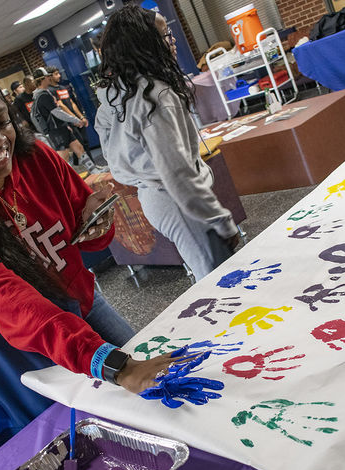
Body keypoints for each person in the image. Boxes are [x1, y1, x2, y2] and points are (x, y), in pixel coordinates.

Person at [0, 62, 181, 398]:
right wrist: (117, 367)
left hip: (85, 300)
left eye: (2, 122)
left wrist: (97, 224)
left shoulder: (35, 157)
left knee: (159, 384)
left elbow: (89, 236)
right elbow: (19, 307)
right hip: (34, 345)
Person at [95, 5, 240, 282]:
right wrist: (221, 220)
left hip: (153, 198)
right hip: (179, 201)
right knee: (220, 279)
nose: (171, 40)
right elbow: (178, 174)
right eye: (164, 35)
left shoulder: (114, 96)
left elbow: (111, 156)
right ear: (145, 44)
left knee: (208, 273)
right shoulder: (155, 96)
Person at [31, 67, 99, 173]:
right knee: (63, 158)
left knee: (79, 148)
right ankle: (68, 181)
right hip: (56, 131)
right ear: (42, 79)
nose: (49, 79)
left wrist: (67, 125)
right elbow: (58, 113)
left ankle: (94, 171)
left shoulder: (45, 93)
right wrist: (75, 120)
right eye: (47, 77)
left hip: (61, 128)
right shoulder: (43, 96)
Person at [47, 66, 89, 147]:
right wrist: (74, 119)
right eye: (56, 74)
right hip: (68, 121)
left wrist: (81, 117)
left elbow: (72, 103)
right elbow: (62, 106)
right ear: (50, 76)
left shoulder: (62, 87)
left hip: (76, 119)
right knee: (79, 145)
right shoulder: (50, 91)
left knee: (85, 142)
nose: (59, 76)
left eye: (58, 73)